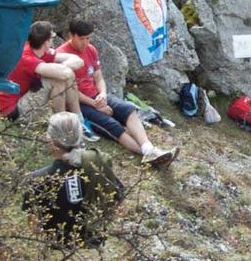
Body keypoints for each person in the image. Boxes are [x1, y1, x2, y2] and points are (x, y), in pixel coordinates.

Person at [23, 112, 123, 261]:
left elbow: (35, 225)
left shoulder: (36, 180)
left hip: (59, 256)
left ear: (51, 141)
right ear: (80, 136)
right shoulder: (96, 166)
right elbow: (115, 199)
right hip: (91, 252)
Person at [56, 19, 176, 167]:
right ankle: (148, 155)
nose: (86, 42)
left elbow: (98, 77)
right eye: (82, 39)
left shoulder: (91, 49)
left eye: (88, 38)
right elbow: (71, 90)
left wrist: (103, 95)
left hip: (97, 96)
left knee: (128, 109)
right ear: (71, 35)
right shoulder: (61, 55)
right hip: (79, 103)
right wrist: (96, 104)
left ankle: (149, 148)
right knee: (113, 125)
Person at [0, 21, 96, 140]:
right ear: (46, 42)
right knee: (58, 80)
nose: (52, 41)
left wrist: (61, 68)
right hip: (12, 112)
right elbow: (64, 73)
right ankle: (62, 126)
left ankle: (76, 121)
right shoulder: (26, 57)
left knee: (63, 77)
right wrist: (61, 70)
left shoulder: (40, 51)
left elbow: (78, 60)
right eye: (52, 37)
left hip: (27, 100)